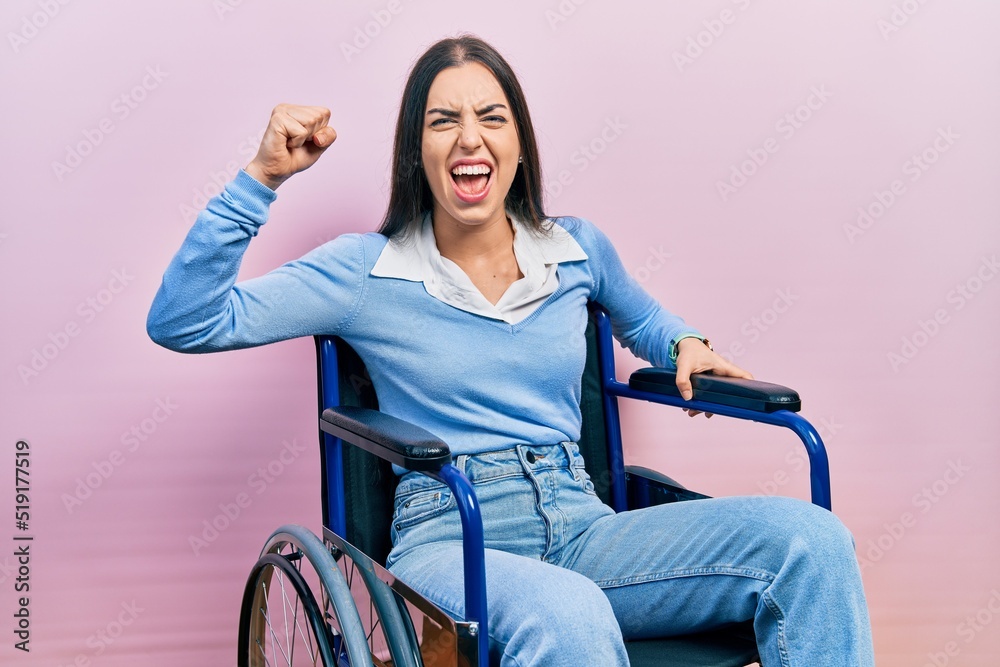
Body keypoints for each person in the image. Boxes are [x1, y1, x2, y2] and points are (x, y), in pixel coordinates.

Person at [147, 34, 874, 667]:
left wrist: (684, 341)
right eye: (444, 121)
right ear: (417, 151)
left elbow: (646, 321)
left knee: (812, 542)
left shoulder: (575, 250)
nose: (470, 137)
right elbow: (186, 320)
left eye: (491, 117)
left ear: (519, 144)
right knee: (569, 613)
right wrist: (262, 177)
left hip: (582, 523)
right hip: (449, 534)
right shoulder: (364, 270)